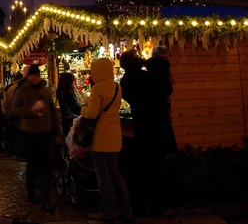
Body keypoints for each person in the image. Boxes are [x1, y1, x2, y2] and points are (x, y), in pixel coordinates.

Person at [81, 58, 132, 222]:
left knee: (102, 175)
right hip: (115, 135)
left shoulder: (97, 88)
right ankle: (126, 209)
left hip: (101, 137)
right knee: (115, 173)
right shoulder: (117, 86)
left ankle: (108, 211)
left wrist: (84, 107)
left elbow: (91, 114)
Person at [10, 64, 61, 212]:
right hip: (30, 132)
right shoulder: (21, 90)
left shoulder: (45, 91)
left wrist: (58, 132)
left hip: (46, 132)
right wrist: (30, 111)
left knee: (46, 166)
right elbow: (13, 110)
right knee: (33, 165)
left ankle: (45, 198)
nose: (35, 79)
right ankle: (31, 192)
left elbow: (52, 113)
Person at [142, 46, 178, 216]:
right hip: (160, 124)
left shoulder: (146, 74)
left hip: (146, 125)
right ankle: (159, 205)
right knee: (160, 167)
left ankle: (150, 203)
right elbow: (169, 87)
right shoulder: (163, 75)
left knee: (150, 167)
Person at [56, 72, 82, 136]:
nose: (73, 83)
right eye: (72, 81)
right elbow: (74, 106)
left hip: (66, 120)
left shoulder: (62, 90)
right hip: (70, 121)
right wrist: (84, 110)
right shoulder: (66, 92)